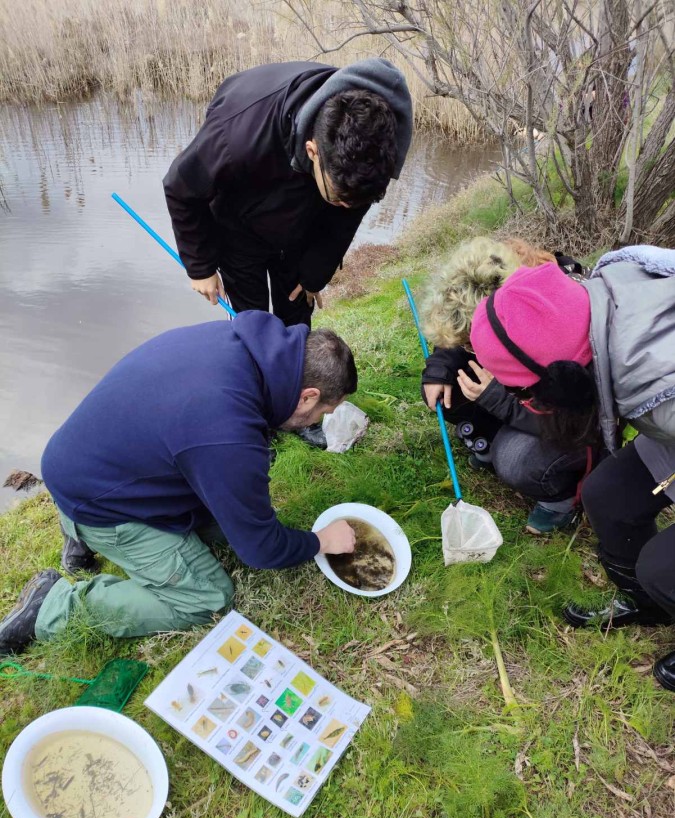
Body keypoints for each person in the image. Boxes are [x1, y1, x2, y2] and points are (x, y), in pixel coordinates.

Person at [0, 312, 358, 655]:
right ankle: (53, 607)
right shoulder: (227, 431)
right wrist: (321, 541)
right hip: (97, 498)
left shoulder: (238, 343)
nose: (317, 421)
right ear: (308, 396)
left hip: (81, 458)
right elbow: (261, 550)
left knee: (229, 526)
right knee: (208, 599)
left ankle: (78, 532)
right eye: (323, 413)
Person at [163, 58, 411, 448]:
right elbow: (180, 188)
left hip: (303, 227)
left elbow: (346, 216)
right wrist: (200, 266)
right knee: (252, 327)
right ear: (313, 151)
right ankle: (257, 414)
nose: (349, 206)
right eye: (339, 196)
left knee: (297, 315)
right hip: (237, 223)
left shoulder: (375, 143)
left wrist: (315, 274)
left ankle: (300, 409)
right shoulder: (236, 136)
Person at [467, 250, 675, 690]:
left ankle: (659, 587)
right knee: (607, 496)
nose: (527, 401)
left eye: (525, 392)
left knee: (662, 568)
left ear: (563, 377)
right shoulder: (609, 288)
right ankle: (650, 604)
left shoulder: (654, 389)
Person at [419, 237, 591, 534]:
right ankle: (491, 438)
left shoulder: (560, 336)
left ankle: (560, 498)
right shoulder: (500, 290)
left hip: (578, 425)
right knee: (450, 390)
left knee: (513, 459)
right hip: (534, 400)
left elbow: (574, 424)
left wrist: (497, 399)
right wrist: (439, 369)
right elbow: (461, 323)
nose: (471, 348)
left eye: (473, 342)